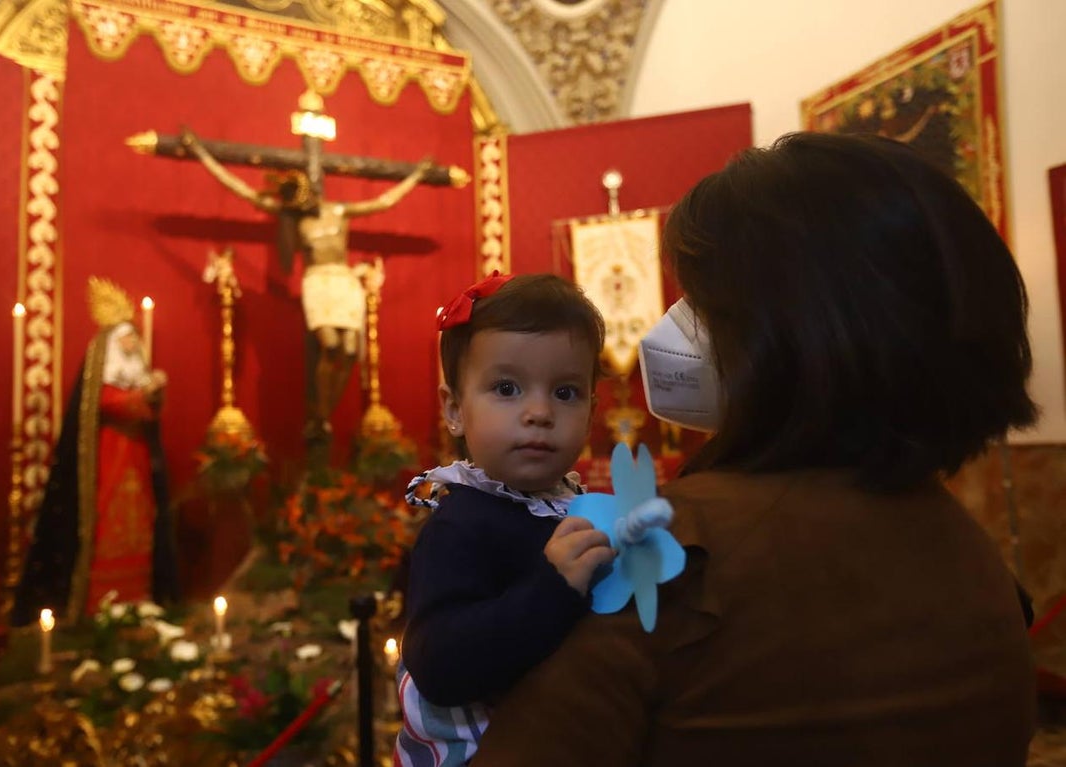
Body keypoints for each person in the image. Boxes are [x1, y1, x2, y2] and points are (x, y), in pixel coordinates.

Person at [469, 132, 1040, 766]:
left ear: (800, 324)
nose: (676, 325)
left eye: (703, 301)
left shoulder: (674, 544)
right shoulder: (974, 555)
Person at [395, 273, 616, 767]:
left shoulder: (580, 506)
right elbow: (439, 664)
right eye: (507, 387)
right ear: (454, 409)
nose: (539, 412)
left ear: (592, 410)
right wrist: (553, 588)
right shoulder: (461, 524)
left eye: (565, 392)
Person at [180, 128, 430, 447]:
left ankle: (324, 413)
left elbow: (383, 201)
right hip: (318, 283)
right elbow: (240, 189)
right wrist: (203, 155)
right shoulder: (295, 220)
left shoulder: (339, 211)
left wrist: (418, 175)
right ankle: (319, 415)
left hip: (343, 280)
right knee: (330, 344)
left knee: (352, 350)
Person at [12, 278, 178, 625]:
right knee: (106, 520)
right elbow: (109, 403)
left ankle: (139, 595)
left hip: (136, 455)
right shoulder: (103, 374)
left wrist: (152, 395)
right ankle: (100, 601)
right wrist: (144, 395)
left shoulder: (136, 373)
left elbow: (147, 412)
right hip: (108, 458)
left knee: (141, 520)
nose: (134, 341)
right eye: (127, 337)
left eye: (135, 335)